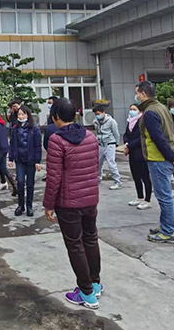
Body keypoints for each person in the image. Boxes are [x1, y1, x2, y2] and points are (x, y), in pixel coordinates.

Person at [43, 98, 102, 310]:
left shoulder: (56, 140)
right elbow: (95, 168)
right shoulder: (90, 136)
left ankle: (86, 292)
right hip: (90, 199)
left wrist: (49, 204)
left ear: (56, 117)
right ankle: (95, 283)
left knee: (75, 245)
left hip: (68, 203)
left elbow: (54, 177)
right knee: (90, 239)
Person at [136, 81, 174, 244]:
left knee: (164, 197)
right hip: (165, 157)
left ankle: (168, 231)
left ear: (143, 94)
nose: (136, 97)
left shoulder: (150, 112)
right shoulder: (162, 108)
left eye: (137, 93)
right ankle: (165, 225)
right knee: (164, 195)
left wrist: (172, 157)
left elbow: (158, 138)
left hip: (158, 159)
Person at [9, 106, 42, 217]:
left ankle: (29, 206)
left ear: (28, 115)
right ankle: (20, 205)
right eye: (19, 114)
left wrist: (37, 161)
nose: (21, 116)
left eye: (23, 114)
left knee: (30, 184)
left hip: (31, 159)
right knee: (20, 182)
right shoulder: (15, 128)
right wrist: (10, 158)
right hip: (19, 159)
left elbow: (38, 146)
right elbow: (12, 144)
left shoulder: (34, 128)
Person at [123, 105, 151, 209]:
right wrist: (126, 144)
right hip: (132, 152)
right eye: (130, 109)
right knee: (136, 176)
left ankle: (147, 200)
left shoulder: (142, 121)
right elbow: (126, 134)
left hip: (141, 152)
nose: (132, 111)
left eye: (134, 109)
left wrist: (129, 145)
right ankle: (140, 197)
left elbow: (142, 137)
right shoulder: (130, 121)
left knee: (145, 176)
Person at [93, 104, 122, 190]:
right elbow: (97, 132)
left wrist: (116, 143)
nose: (97, 116)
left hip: (110, 143)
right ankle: (98, 178)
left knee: (111, 163)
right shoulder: (95, 122)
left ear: (103, 112)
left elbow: (116, 133)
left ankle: (117, 181)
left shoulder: (111, 121)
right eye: (96, 114)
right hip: (100, 144)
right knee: (98, 163)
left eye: (98, 114)